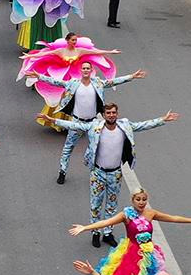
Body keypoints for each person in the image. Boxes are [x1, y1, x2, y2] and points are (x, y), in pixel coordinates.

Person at [54, 103, 179, 246]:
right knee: (95, 204)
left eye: (114, 112)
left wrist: (163, 119)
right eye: (108, 113)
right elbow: (77, 126)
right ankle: (95, 232)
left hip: (115, 173)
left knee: (112, 205)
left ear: (117, 114)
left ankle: (108, 233)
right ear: (104, 114)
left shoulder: (124, 126)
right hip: (98, 172)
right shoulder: (95, 127)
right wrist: (53, 120)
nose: (111, 115)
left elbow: (143, 125)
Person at [41, 67, 147, 184]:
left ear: (91, 70)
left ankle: (93, 169)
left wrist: (131, 76)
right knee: (68, 148)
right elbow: (56, 82)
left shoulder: (98, 83)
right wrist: (39, 76)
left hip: (93, 123)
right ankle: (62, 171)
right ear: (81, 71)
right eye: (84, 68)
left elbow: (114, 81)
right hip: (77, 122)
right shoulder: (73, 83)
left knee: (96, 146)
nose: (85, 70)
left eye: (88, 68)